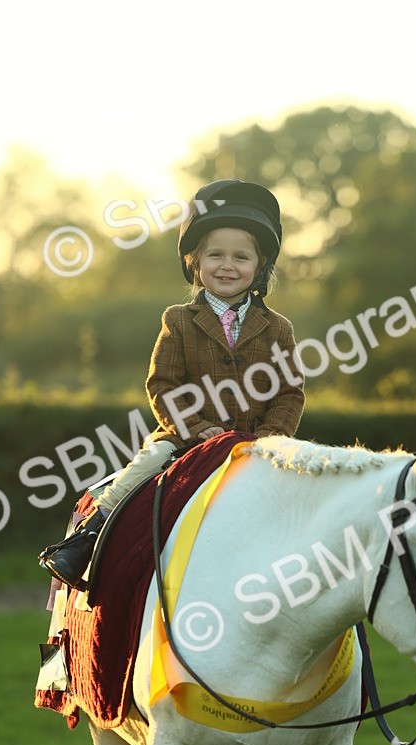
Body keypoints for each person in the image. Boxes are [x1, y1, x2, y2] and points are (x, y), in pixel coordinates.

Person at [40, 179, 305, 589]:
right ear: (194, 262)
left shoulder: (278, 328)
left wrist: (268, 439)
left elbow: (289, 393)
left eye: (240, 257)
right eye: (215, 255)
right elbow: (162, 385)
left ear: (259, 266)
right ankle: (87, 537)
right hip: (184, 438)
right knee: (143, 465)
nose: (228, 265)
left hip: (258, 443)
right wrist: (199, 429)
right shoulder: (178, 320)